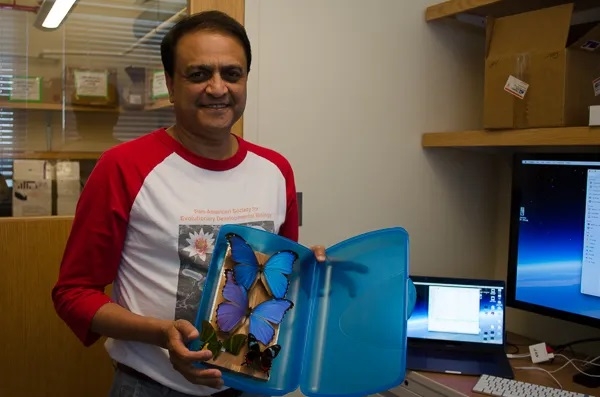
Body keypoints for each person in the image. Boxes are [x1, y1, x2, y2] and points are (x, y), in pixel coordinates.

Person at [51, 10, 326, 397]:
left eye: (232, 74)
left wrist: (312, 268)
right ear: (170, 83)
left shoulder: (275, 169)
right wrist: (161, 333)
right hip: (152, 386)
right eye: (198, 75)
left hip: (249, 383)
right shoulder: (124, 167)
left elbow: (280, 283)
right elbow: (73, 294)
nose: (218, 88)